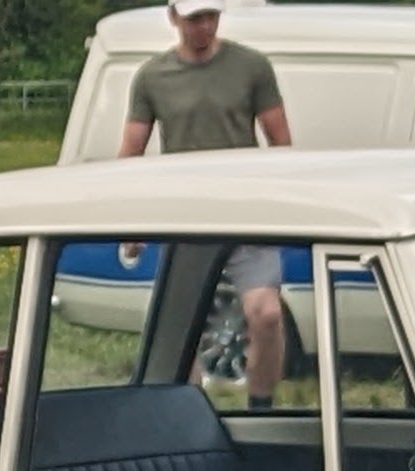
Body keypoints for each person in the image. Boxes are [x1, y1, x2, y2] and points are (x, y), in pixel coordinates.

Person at [122, 0, 294, 410]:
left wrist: (285, 200)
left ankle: (261, 407)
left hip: (245, 213)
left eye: (211, 17)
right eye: (194, 19)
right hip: (186, 216)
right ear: (174, 17)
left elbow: (281, 142)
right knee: (183, 328)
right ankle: (189, 409)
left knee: (266, 314)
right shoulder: (152, 77)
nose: (204, 27)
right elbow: (131, 149)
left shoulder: (251, 67)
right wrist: (130, 219)